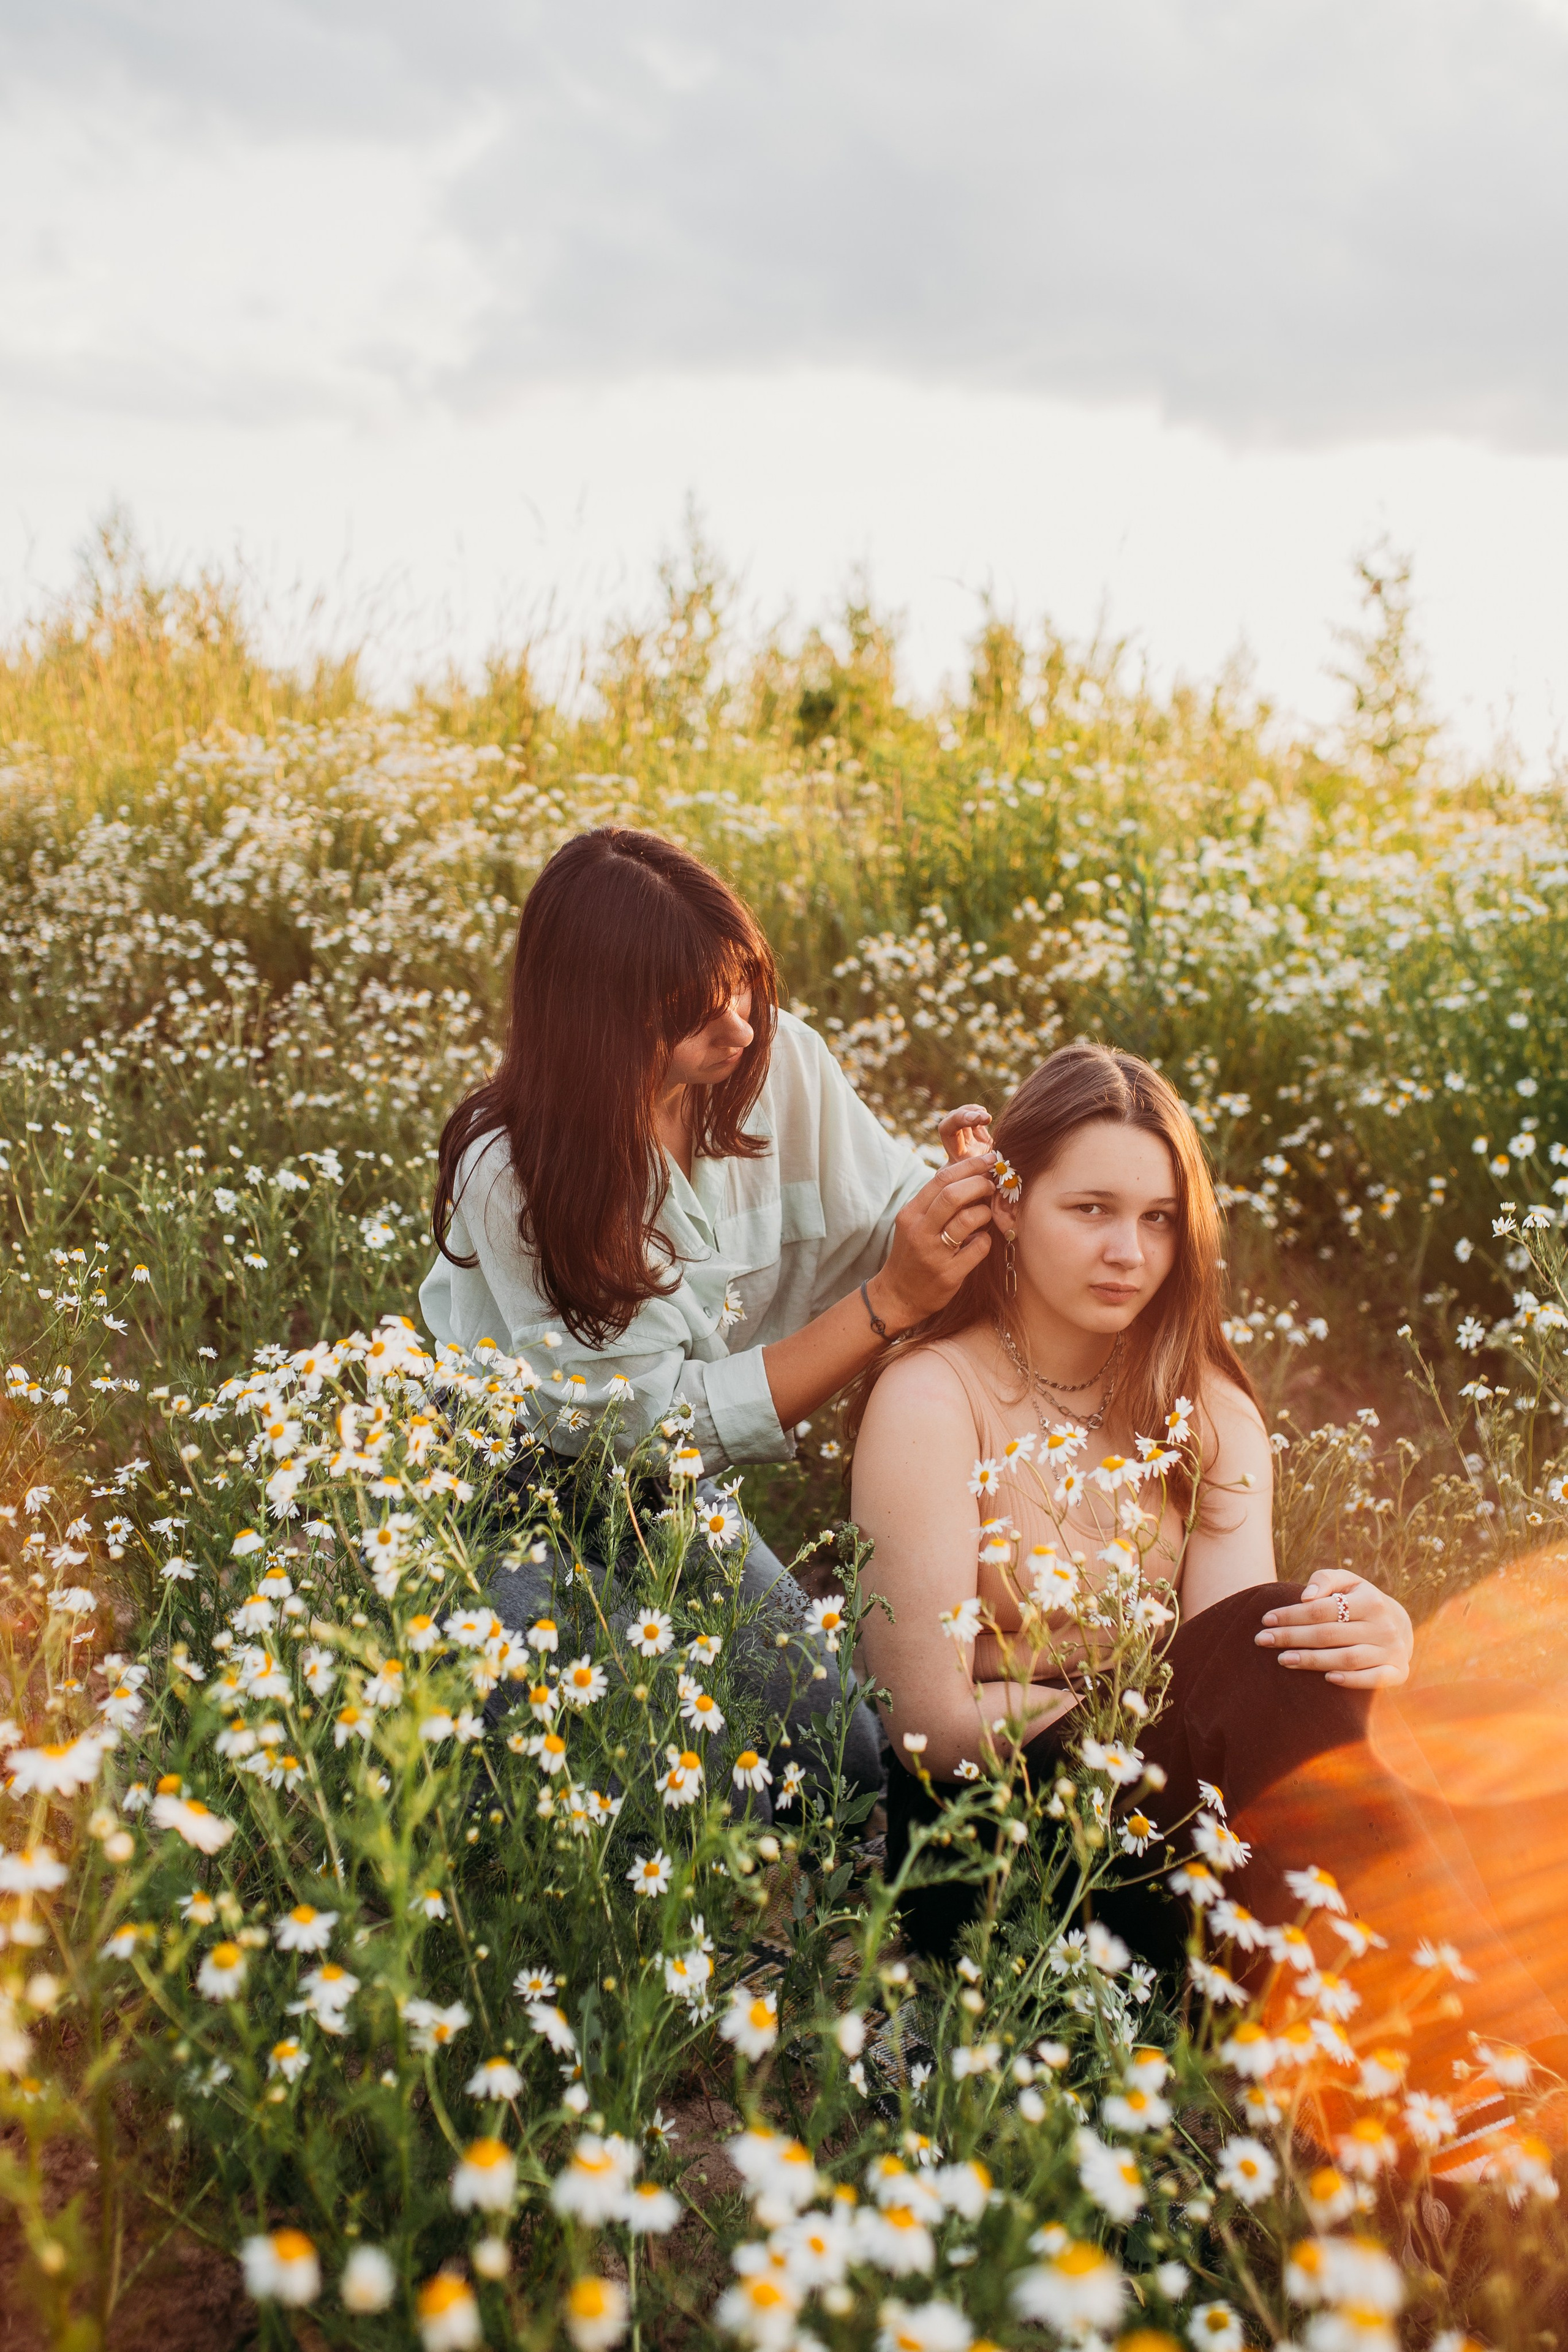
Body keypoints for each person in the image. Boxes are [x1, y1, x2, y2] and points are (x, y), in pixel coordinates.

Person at [850, 1044, 1568, 2097]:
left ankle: (1449, 2048)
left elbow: (1244, 1677)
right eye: (1090, 1208)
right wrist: (1127, 1700)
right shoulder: (932, 1398)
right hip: (1009, 1855)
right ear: (1010, 1207)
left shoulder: (1209, 1406)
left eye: (1158, 1218)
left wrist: (1369, 1648)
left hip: (1177, 1831)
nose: (1128, 1252)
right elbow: (927, 1724)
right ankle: (1493, 2049)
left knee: (1504, 1728)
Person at [418, 825, 997, 1796]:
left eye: (742, 983)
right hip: (506, 1492)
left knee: (840, 1762)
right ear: (595, 1021)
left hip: (674, 1500)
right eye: (692, 1011)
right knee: (596, 1774)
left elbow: (890, 1211)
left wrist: (964, 1195)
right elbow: (645, 1434)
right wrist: (889, 1304)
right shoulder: (516, 1167)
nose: (737, 1025)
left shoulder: (777, 1066)